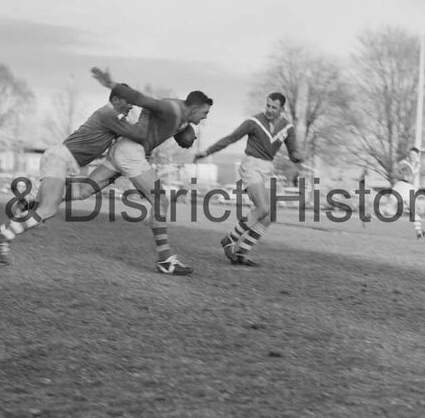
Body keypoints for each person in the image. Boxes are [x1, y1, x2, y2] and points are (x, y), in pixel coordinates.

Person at [0, 78, 148, 264]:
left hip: (62, 162)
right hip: (60, 160)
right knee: (48, 210)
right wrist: (151, 113)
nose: (131, 106)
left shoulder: (113, 119)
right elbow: (138, 135)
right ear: (117, 100)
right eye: (129, 101)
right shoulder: (108, 115)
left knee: (36, 209)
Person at [83, 68, 212, 275]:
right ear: (195, 108)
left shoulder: (184, 117)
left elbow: (172, 129)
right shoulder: (171, 108)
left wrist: (185, 136)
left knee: (83, 191)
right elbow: (142, 100)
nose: (205, 118)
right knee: (161, 200)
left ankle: (34, 202)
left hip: (123, 149)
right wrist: (112, 85)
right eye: (204, 113)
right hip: (131, 153)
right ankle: (165, 260)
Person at [193, 92, 303, 266]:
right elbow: (231, 138)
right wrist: (207, 152)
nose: (269, 109)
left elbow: (293, 151)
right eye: (267, 105)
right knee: (263, 207)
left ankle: (241, 253)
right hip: (251, 165)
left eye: (274, 107)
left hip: (267, 167)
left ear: (282, 109)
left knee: (268, 217)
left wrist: (297, 156)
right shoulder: (254, 122)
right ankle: (230, 239)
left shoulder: (287, 127)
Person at [384, 147, 425, 239]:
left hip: (408, 187)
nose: (411, 156)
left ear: (417, 155)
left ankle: (419, 232)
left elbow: (412, 173)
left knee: (413, 210)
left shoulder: (417, 164)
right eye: (410, 154)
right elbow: (398, 172)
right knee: (387, 209)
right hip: (400, 185)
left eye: (414, 154)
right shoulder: (404, 163)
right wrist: (401, 173)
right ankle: (371, 214)